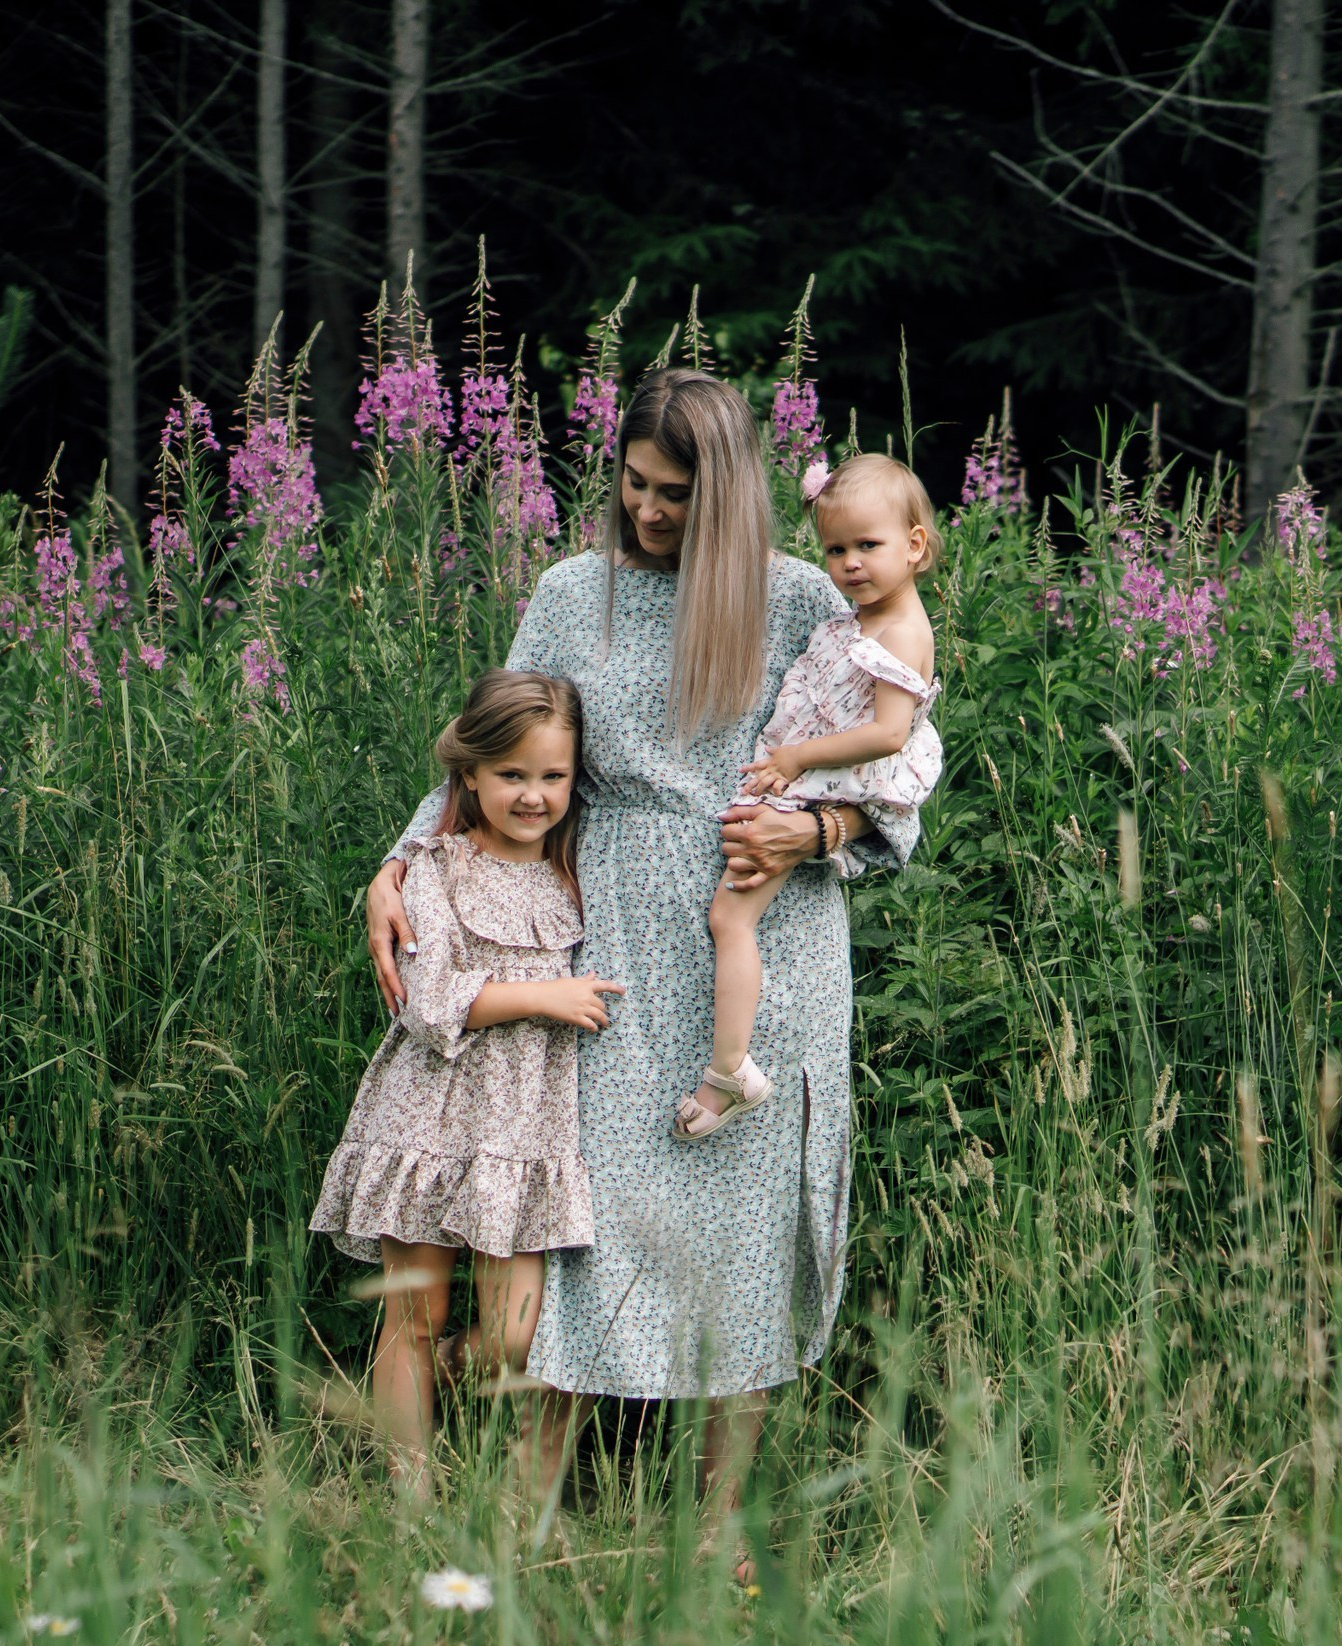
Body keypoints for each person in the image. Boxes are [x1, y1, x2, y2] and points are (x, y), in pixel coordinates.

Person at [361, 370, 918, 1552]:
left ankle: (716, 1540)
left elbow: (897, 782)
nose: (649, 512)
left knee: (753, 1236)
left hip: (764, 943)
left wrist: (815, 828)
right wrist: (402, 864)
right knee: (583, 1231)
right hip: (603, 943)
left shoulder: (806, 600)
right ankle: (521, 1528)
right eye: (633, 483)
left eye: (677, 495)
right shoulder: (574, 595)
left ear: (730, 499)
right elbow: (493, 753)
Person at [314, 669, 619, 1493]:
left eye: (552, 776)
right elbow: (429, 997)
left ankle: (435, 1379)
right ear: (470, 776)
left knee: (515, 1331)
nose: (533, 796)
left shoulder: (573, 870)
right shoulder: (434, 871)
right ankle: (408, 1492)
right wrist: (544, 997)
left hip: (522, 1130)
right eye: (512, 775)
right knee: (415, 1314)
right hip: (429, 1110)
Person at [677, 453, 943, 1139]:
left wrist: (794, 758)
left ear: (915, 546)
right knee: (726, 916)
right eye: (835, 549)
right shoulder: (862, 620)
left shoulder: (903, 633)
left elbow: (888, 733)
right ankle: (728, 1065)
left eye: (867, 546)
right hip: (809, 783)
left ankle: (729, 1070)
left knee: (731, 921)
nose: (850, 563)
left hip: (824, 787)